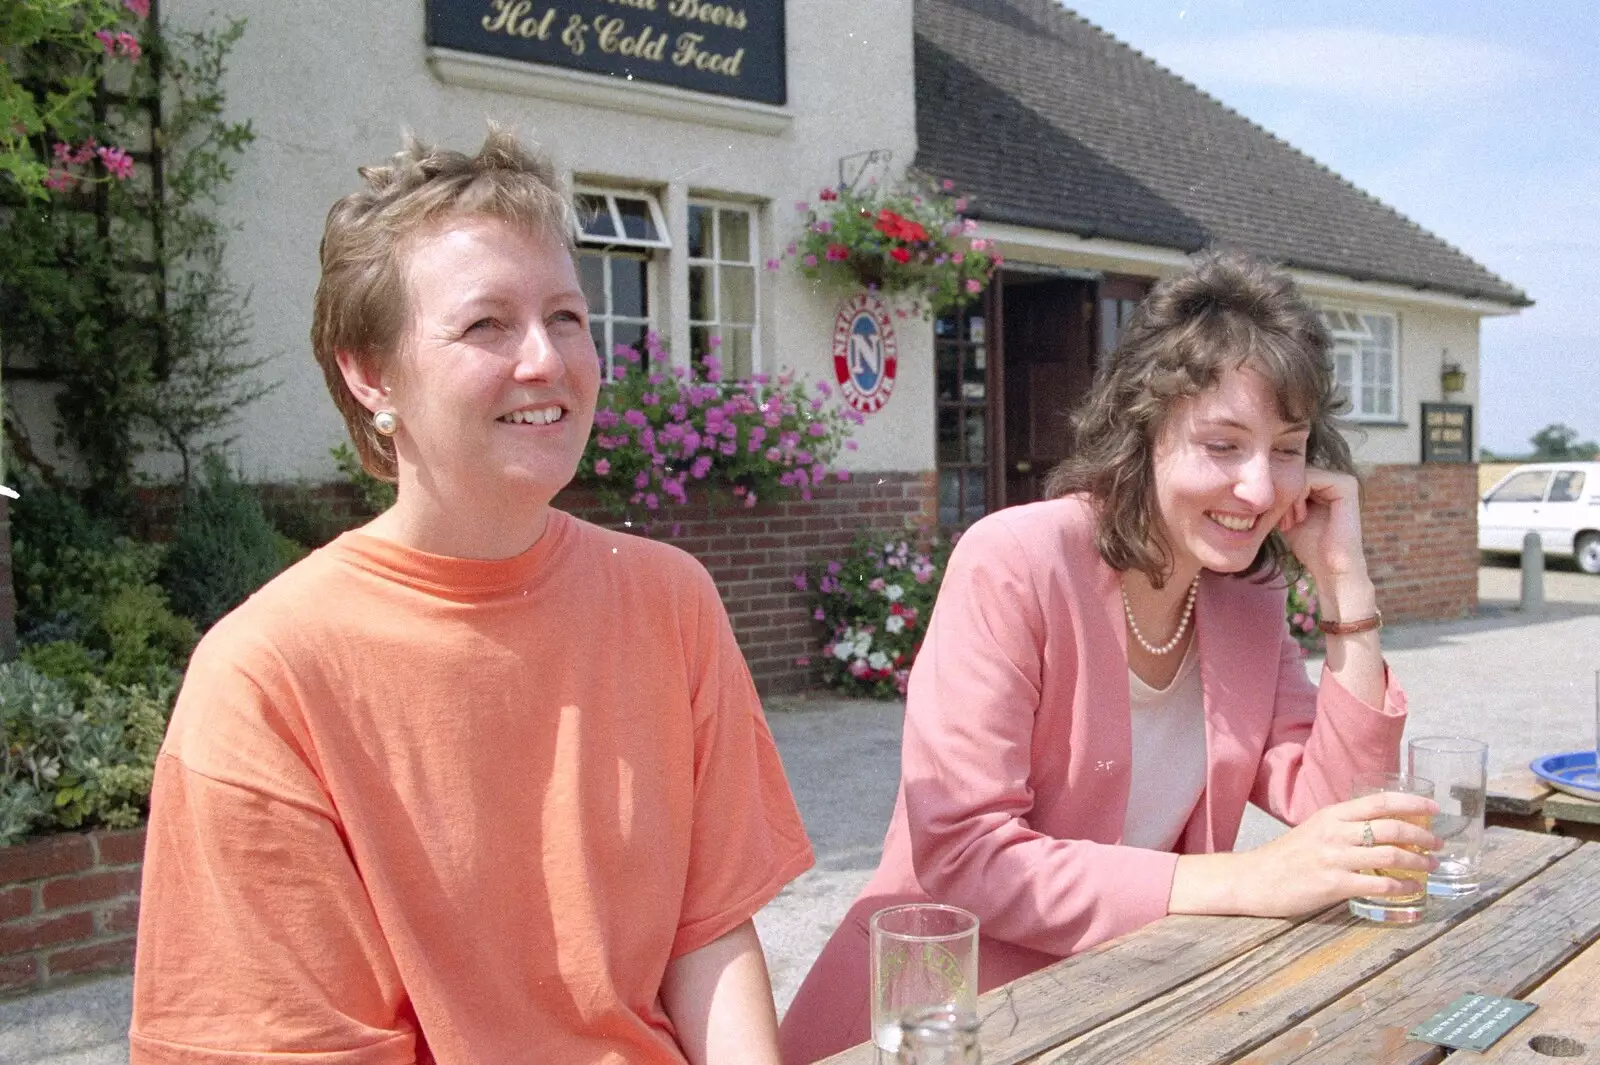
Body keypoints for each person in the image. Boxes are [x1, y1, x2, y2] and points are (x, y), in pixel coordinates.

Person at [130, 129, 813, 1065]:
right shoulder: (266, 678)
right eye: (485, 324)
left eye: (568, 316)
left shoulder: (670, 600)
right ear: (369, 373)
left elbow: (708, 937)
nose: (546, 360)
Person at [778, 251, 1438, 1063]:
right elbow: (963, 850)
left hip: (1123, 1002)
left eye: (1288, 448)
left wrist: (1344, 581)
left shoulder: (1245, 595)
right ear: (1144, 425)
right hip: (942, 1019)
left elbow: (1341, 806)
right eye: (1223, 445)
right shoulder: (1014, 560)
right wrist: (1239, 881)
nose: (1261, 490)